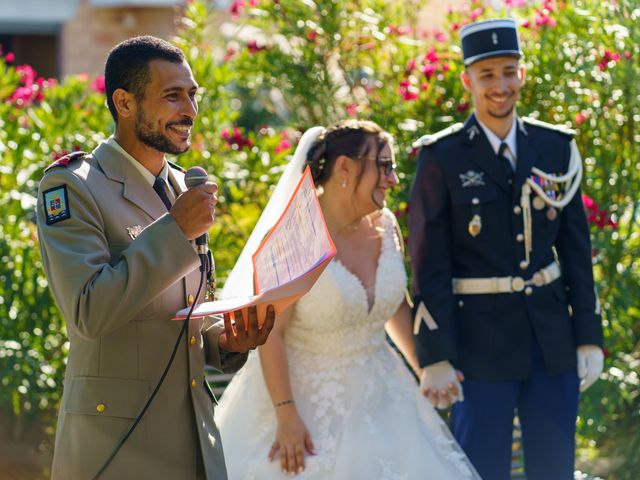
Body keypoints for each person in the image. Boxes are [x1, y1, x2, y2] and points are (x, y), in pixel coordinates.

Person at [36, 36, 274, 480]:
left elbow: (185, 319)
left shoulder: (185, 186)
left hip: (195, 441)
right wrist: (175, 230)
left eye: (192, 94)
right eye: (172, 95)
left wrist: (226, 341)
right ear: (124, 103)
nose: (190, 110)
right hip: (117, 447)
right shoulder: (73, 187)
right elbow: (88, 310)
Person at [214, 119, 481, 479]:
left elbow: (392, 306)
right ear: (345, 167)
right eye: (384, 166)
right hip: (304, 402)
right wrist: (286, 414)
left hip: (385, 396)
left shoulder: (385, 224)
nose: (393, 179)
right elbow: (270, 333)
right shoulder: (297, 234)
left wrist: (426, 368)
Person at [409, 18, 604, 480]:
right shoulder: (443, 157)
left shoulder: (555, 148)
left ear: (522, 73)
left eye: (509, 71)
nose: (501, 85)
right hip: (479, 350)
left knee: (554, 470)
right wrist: (435, 353)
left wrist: (589, 335)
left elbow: (577, 251)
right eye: (488, 74)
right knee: (481, 470)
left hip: (551, 341)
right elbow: (428, 265)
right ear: (468, 80)